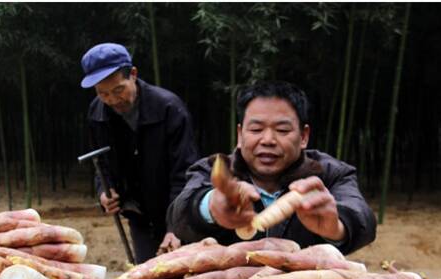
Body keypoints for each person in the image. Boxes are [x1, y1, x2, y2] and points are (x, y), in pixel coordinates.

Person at [167, 81, 376, 255]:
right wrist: (210, 207)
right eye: (256, 129)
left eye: (282, 130)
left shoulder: (331, 174)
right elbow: (178, 217)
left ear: (304, 136)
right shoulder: (212, 169)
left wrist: (337, 227)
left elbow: (363, 219)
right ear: (240, 135)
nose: (267, 140)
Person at [80, 42, 199, 263]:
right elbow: (101, 164)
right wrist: (104, 192)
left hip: (177, 211)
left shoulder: (169, 108)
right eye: (103, 93)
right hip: (139, 214)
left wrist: (176, 227)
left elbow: (184, 172)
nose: (113, 100)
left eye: (118, 90)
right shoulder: (97, 111)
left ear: (133, 74)